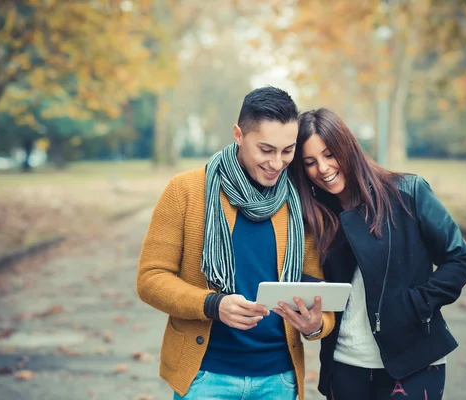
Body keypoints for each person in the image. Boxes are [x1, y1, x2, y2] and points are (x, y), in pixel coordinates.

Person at [136, 87, 335, 400]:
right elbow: (150, 280)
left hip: (279, 380)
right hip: (204, 378)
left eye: (287, 150)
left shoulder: (300, 203)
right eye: (266, 149)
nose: (277, 162)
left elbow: (317, 291)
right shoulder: (186, 191)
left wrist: (314, 325)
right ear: (238, 135)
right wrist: (213, 305)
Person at [288, 108, 466, 400]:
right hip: (346, 364)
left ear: (347, 148)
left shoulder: (408, 192)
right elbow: (315, 289)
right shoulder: (315, 218)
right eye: (310, 162)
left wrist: (417, 304)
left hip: (415, 362)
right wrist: (312, 325)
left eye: (329, 154)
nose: (322, 168)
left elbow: (459, 258)